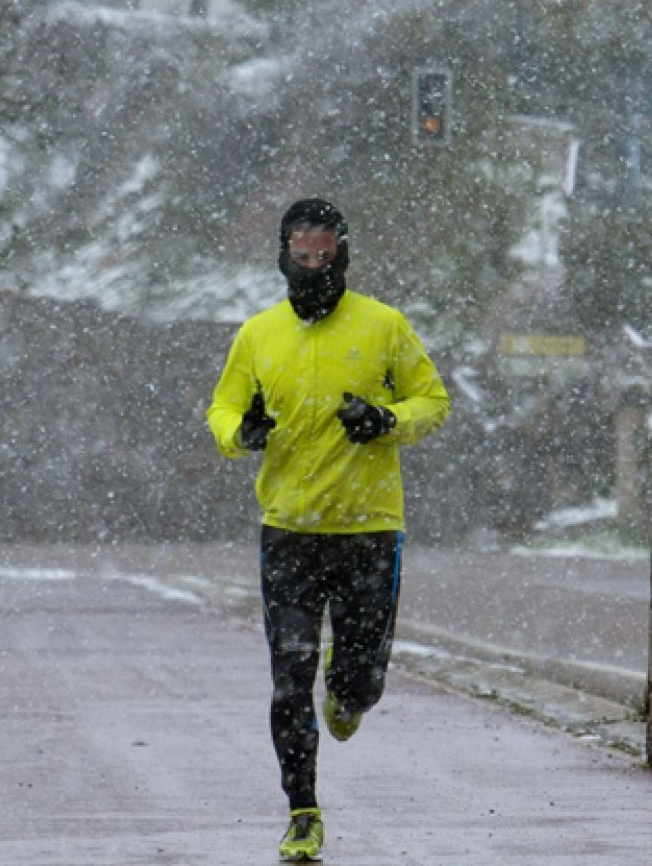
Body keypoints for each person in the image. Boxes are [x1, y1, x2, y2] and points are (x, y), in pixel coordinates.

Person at [206, 198, 451, 862]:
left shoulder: (384, 325)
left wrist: (386, 419)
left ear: (343, 253)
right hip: (288, 529)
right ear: (284, 256)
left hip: (370, 529)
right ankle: (303, 809)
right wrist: (241, 432)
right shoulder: (258, 334)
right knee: (290, 676)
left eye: (324, 253)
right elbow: (223, 407)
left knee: (358, 680)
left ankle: (352, 688)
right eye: (301, 254)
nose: (312, 265)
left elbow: (433, 401)